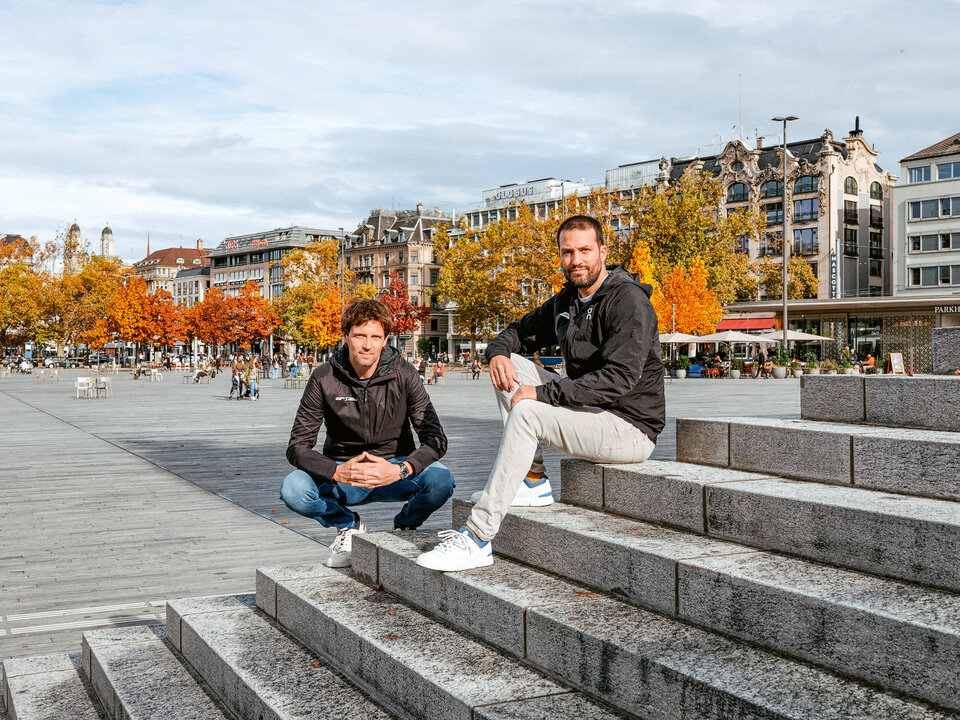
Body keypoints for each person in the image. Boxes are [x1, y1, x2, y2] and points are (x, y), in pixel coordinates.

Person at [416, 214, 664, 572]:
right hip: (593, 414)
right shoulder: (568, 300)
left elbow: (619, 380)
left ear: (603, 252)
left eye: (584, 250)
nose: (575, 260)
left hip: (630, 426)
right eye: (567, 252)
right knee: (510, 365)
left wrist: (543, 393)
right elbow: (516, 331)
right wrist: (497, 353)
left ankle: (477, 538)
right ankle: (532, 481)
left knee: (528, 410)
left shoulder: (627, 301)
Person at [282, 299, 455, 568]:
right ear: (346, 337)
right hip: (344, 473)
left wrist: (402, 470)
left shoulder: (404, 374)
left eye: (375, 337)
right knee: (294, 489)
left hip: (394, 469)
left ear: (385, 339)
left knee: (441, 479)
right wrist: (335, 471)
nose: (367, 345)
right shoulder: (324, 377)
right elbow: (297, 446)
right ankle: (348, 524)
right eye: (359, 335)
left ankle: (405, 525)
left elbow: (435, 438)